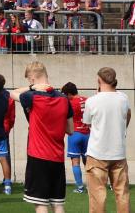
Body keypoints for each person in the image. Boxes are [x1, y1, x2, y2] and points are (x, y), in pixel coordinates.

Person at [10, 62, 74, 212]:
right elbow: (70, 129)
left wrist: (32, 88)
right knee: (58, 203)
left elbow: (12, 93)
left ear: (32, 79)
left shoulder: (31, 96)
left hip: (38, 156)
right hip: (57, 157)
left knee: (40, 204)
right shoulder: (64, 99)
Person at [83, 67, 131, 213]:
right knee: (122, 195)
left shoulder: (92, 101)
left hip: (97, 153)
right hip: (118, 153)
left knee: (98, 197)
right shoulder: (124, 98)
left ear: (99, 81)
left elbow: (87, 123)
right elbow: (127, 115)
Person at [60, 82, 89, 194]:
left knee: (75, 162)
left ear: (69, 94)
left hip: (75, 134)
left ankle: (80, 187)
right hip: (88, 134)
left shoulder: (70, 103)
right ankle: (91, 186)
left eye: (65, 94)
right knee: (89, 163)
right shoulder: (87, 100)